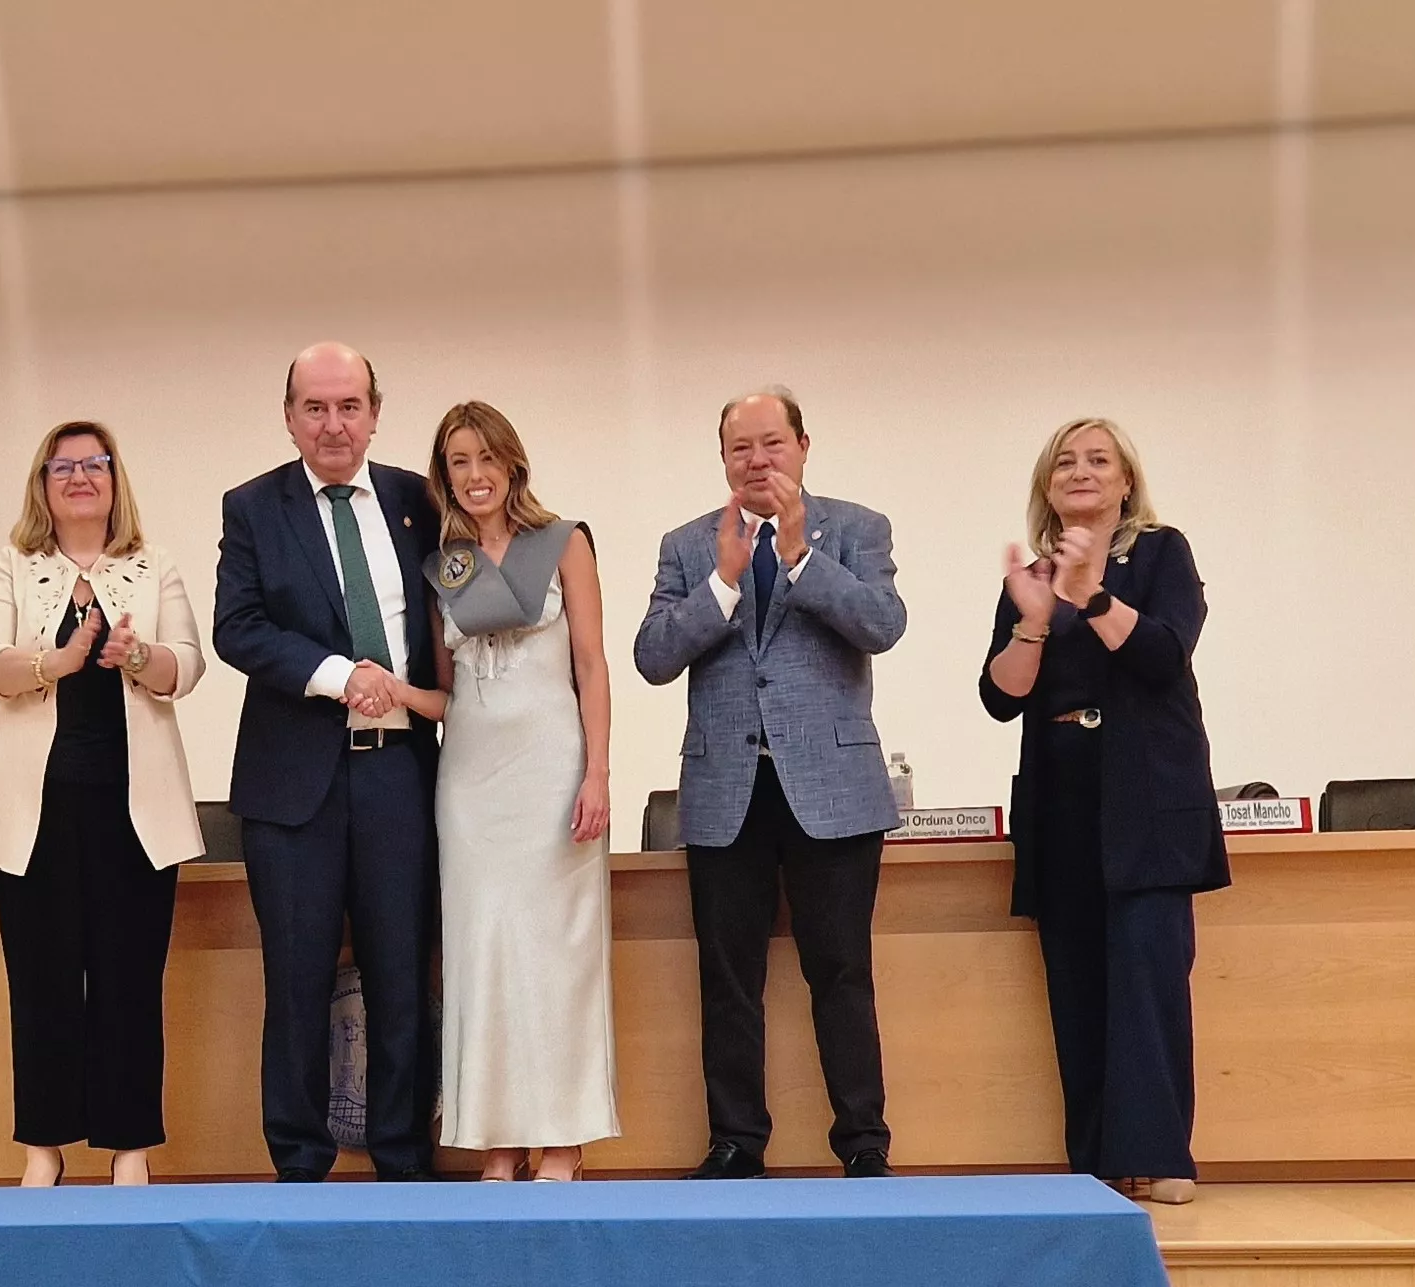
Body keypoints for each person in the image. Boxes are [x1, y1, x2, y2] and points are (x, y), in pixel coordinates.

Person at [635, 386, 905, 1180]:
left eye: (771, 443)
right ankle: (735, 1139)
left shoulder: (855, 528)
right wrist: (721, 584)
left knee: (841, 971)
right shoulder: (688, 545)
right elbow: (653, 656)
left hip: (833, 789)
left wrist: (801, 561)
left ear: (802, 446)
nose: (756, 460)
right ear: (722, 458)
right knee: (728, 979)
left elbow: (881, 624)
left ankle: (863, 1139)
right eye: (739, 448)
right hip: (725, 790)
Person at [213, 342, 445, 1182]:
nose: (333, 424)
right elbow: (236, 627)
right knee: (297, 979)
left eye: (349, 406)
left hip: (399, 774)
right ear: (289, 417)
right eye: (315, 407)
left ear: (375, 413)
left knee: (401, 976)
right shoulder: (253, 506)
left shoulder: (419, 501)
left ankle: (403, 1157)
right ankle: (300, 1163)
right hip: (292, 787)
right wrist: (339, 674)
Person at [980, 416, 1227, 1206]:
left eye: (1097, 460)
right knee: (1077, 987)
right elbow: (999, 695)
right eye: (1064, 462)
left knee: (1148, 982)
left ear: (1125, 482)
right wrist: (1033, 617)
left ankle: (1159, 1155)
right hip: (1060, 796)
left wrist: (1088, 595)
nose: (1080, 471)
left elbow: (1161, 655)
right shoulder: (1032, 576)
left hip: (1147, 794)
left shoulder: (1161, 553)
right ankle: (1093, 1163)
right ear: (1046, 486)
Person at [374, 401, 619, 1182]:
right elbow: (450, 695)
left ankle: (563, 1136)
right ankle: (498, 1138)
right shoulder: (445, 565)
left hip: (553, 773)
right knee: (482, 957)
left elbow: (591, 665)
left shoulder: (564, 541)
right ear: (443, 476)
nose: (474, 474)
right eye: (458, 461)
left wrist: (598, 772)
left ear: (512, 462)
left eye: (486, 457)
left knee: (557, 954)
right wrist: (396, 692)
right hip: (471, 785)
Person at [0, 420, 208, 1187]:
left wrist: (137, 654)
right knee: (41, 986)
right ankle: (43, 1147)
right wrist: (54, 662)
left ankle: (130, 1147)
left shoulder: (152, 564)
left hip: (134, 816)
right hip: (34, 817)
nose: (79, 477)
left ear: (113, 479)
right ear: (42, 484)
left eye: (93, 464)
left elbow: (186, 667)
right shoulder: (14, 564)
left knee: (129, 984)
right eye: (62, 467)